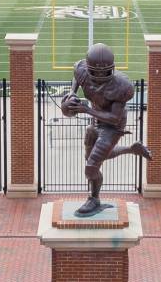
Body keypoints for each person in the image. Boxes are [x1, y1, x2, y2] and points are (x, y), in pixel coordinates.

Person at [61, 43, 151, 216]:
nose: (101, 75)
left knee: (91, 167)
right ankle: (132, 149)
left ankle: (94, 199)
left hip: (113, 125)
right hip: (96, 119)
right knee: (94, 157)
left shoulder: (121, 86)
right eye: (97, 72)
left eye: (105, 72)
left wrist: (86, 109)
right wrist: (72, 93)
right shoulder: (81, 71)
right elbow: (78, 78)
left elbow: (114, 118)